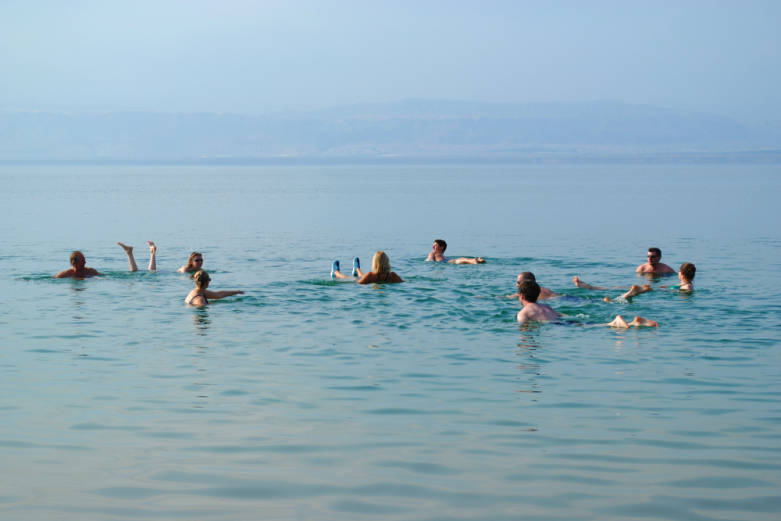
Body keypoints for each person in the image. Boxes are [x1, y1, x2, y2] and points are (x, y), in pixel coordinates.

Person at [517, 280, 658, 328]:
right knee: (586, 324)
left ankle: (616, 323)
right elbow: (559, 314)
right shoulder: (545, 306)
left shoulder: (523, 312)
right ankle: (633, 323)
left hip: (558, 325)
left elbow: (524, 328)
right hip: (563, 320)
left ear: (521, 296)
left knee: (591, 326)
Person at [574, 262, 696, 301]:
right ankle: (591, 287)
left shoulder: (687, 286)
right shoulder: (686, 285)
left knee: (623, 289)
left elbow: (684, 290)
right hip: (659, 291)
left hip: (658, 292)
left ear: (682, 273)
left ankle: (591, 287)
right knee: (623, 289)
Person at [331, 251, 404, 284]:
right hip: (372, 278)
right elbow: (403, 282)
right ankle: (356, 269)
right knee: (362, 276)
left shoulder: (370, 275)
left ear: (375, 263)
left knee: (349, 278)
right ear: (387, 262)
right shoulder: (393, 276)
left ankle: (336, 272)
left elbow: (357, 283)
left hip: (369, 278)